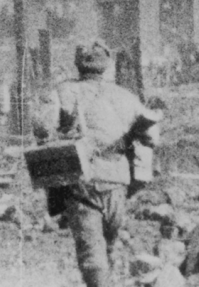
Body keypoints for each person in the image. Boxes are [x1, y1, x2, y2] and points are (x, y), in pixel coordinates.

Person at [33, 41, 162, 287]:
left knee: (91, 251)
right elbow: (152, 137)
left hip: (81, 180)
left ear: (78, 64)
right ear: (107, 65)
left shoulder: (62, 91)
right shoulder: (125, 96)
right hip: (117, 181)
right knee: (109, 245)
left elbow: (41, 127)